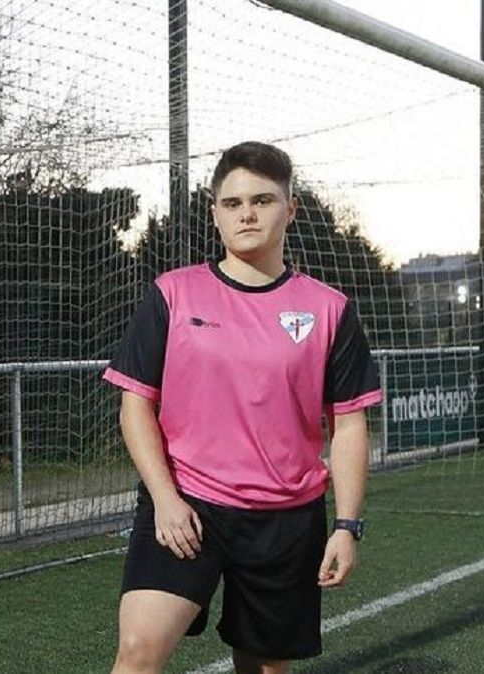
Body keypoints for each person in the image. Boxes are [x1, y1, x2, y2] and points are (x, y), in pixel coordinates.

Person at [104, 141, 381, 674]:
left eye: (263, 200)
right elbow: (134, 405)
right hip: (188, 506)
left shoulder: (329, 309)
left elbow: (348, 422)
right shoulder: (172, 294)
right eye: (232, 203)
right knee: (137, 653)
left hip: (286, 519)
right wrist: (164, 498)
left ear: (290, 209)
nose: (247, 214)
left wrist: (347, 525)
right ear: (215, 213)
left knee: (263, 669)